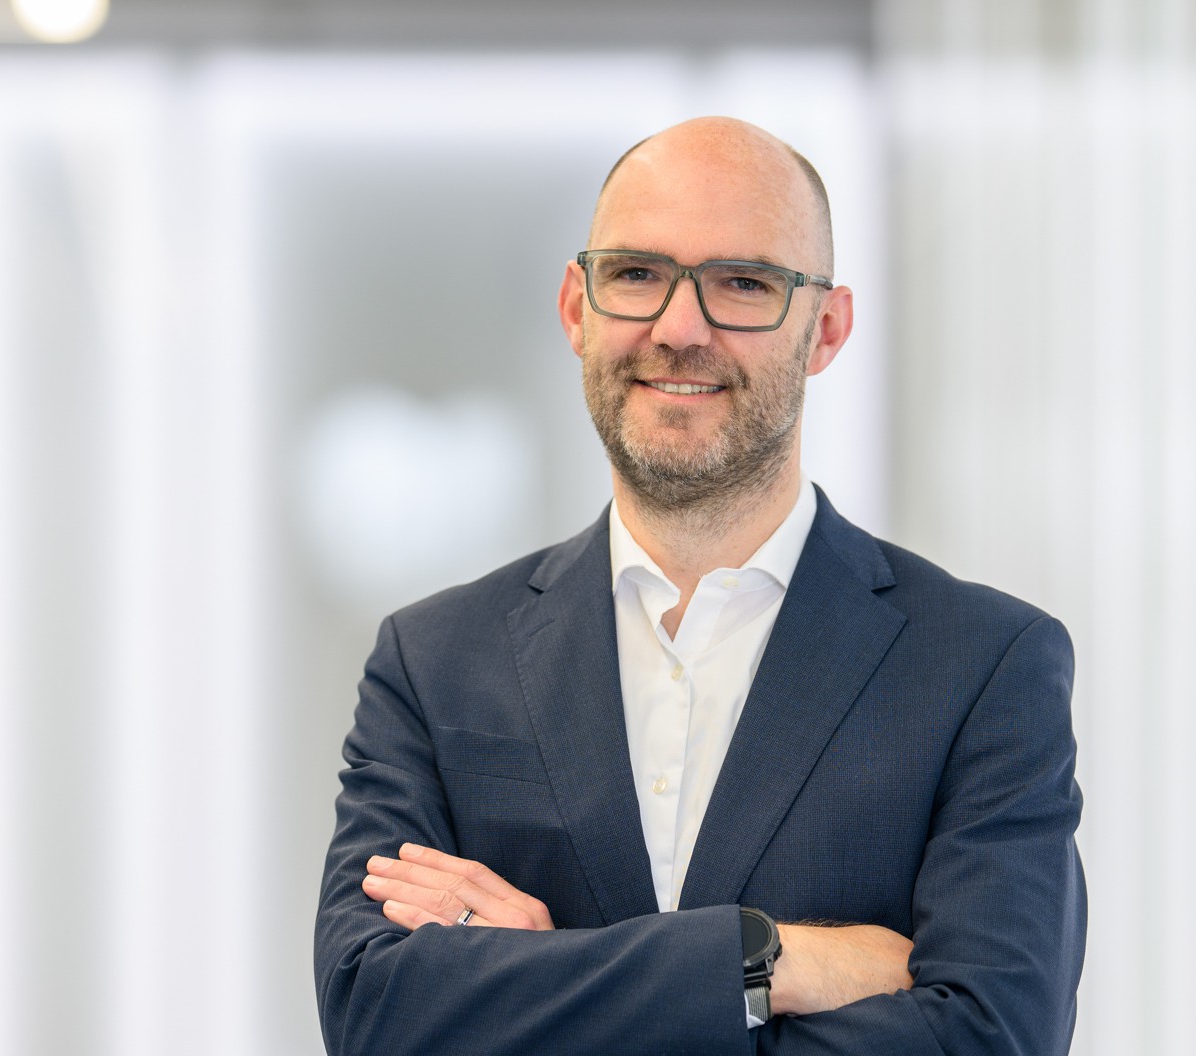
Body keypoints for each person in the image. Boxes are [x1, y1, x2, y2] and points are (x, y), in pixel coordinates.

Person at [313, 116, 1085, 1055]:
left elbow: (991, 1037)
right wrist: (762, 961)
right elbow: (374, 1012)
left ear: (825, 330)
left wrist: (539, 973)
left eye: (743, 283)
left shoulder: (983, 667)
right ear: (576, 308)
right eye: (636, 273)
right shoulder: (433, 664)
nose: (680, 329)